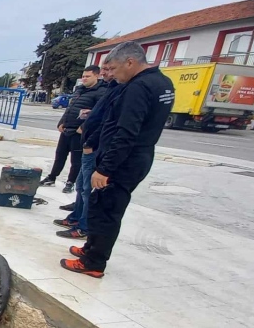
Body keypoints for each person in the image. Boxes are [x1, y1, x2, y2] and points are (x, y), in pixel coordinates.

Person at [61, 41, 174, 278]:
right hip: (136, 156)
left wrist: (105, 169)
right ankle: (90, 249)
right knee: (101, 205)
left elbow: (126, 133)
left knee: (106, 210)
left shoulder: (139, 87)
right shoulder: (162, 82)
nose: (109, 74)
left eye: (112, 69)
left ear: (130, 62)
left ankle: (93, 263)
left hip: (124, 160)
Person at [55, 62, 123, 240]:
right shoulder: (108, 90)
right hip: (86, 142)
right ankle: (77, 218)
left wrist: (88, 137)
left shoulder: (113, 91)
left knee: (86, 188)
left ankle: (84, 226)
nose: (107, 73)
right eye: (105, 70)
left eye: (110, 69)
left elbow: (106, 121)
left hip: (93, 145)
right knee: (81, 185)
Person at [41, 65, 107, 193]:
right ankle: (52, 177)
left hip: (80, 132)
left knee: (76, 160)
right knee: (60, 155)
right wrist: (62, 122)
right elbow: (70, 108)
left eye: (88, 76)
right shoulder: (79, 90)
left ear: (97, 76)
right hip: (67, 129)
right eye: (83, 76)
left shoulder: (101, 92)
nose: (84, 79)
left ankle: (70, 182)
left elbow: (99, 113)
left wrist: (84, 127)